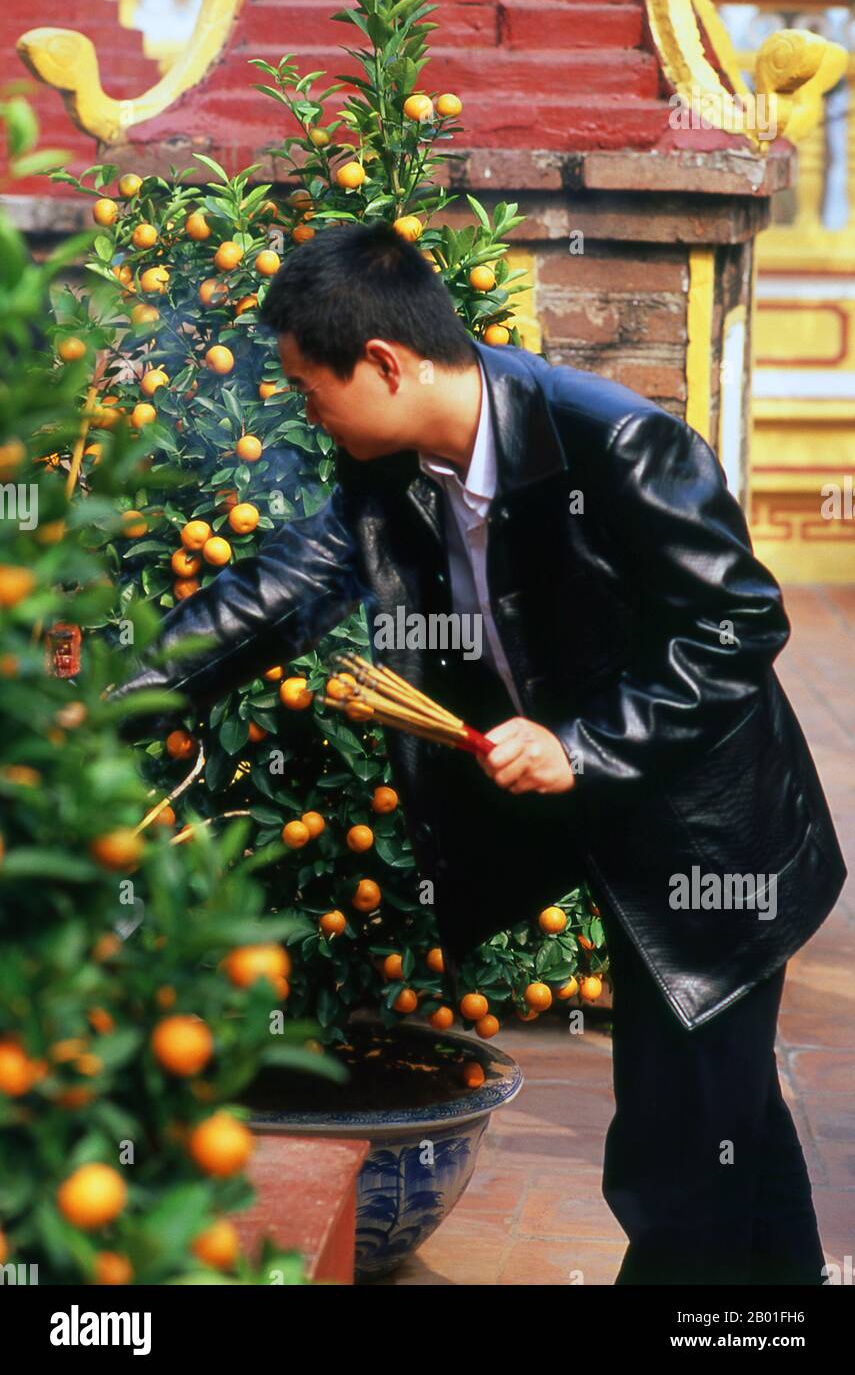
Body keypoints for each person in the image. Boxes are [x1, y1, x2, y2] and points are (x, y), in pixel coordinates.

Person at [112, 221, 846, 1285]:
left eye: (311, 386)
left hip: (712, 839)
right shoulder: (396, 465)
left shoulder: (616, 442)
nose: (304, 409)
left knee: (678, 1144)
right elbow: (280, 589)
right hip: (611, 826)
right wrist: (101, 704)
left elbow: (736, 625)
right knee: (723, 1105)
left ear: (385, 363)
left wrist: (585, 747)